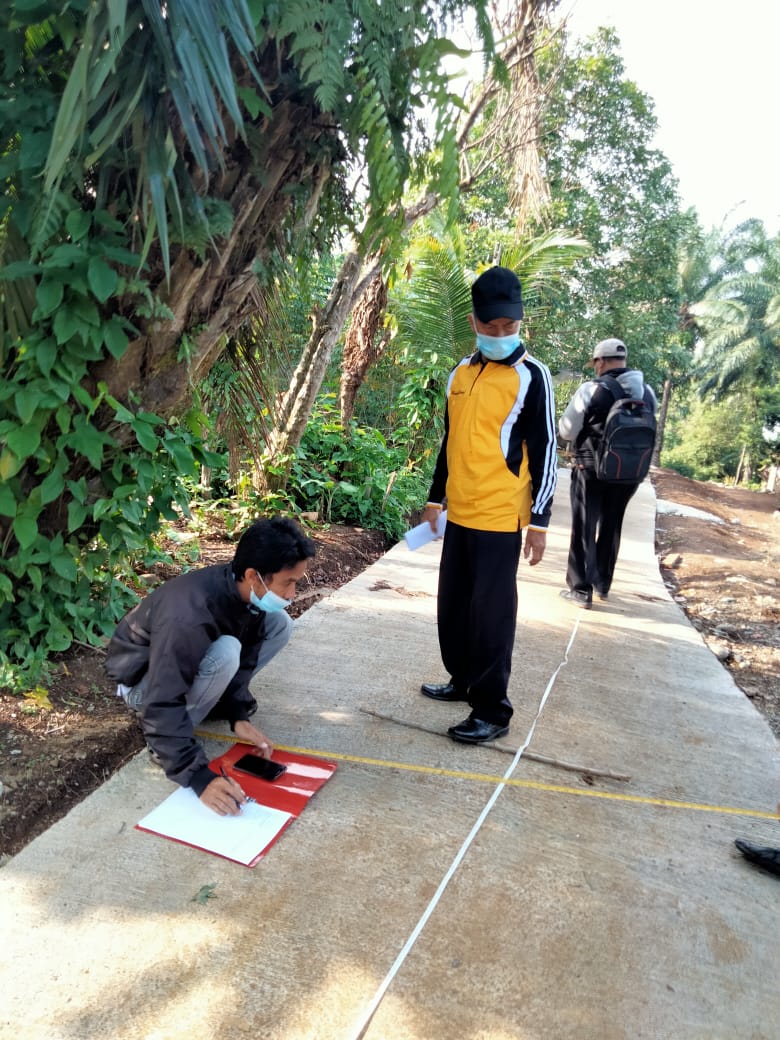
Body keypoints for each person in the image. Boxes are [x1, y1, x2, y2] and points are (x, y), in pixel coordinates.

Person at [418, 266, 557, 745]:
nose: (501, 335)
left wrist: (539, 523)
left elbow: (546, 450)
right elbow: (449, 441)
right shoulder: (461, 373)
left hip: (501, 517)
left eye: (510, 327)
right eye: (491, 326)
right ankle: (463, 681)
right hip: (460, 512)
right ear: (475, 322)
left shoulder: (532, 377)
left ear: (520, 322)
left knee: (492, 615)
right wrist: (435, 499)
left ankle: (493, 709)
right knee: (454, 606)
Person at [105, 517, 315, 815]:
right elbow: (162, 699)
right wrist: (198, 777)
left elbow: (249, 654)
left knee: (278, 622)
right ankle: (166, 744)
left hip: (177, 670)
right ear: (254, 576)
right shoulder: (188, 615)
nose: (292, 594)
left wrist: (237, 714)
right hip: (143, 687)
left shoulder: (243, 590)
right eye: (288, 583)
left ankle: (210, 703)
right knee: (227, 652)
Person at [558, 337, 657, 608]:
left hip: (590, 468)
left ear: (600, 362)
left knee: (584, 525)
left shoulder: (592, 389)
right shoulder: (647, 392)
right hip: (629, 472)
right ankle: (602, 584)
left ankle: (580, 589)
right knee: (612, 524)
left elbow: (567, 430)